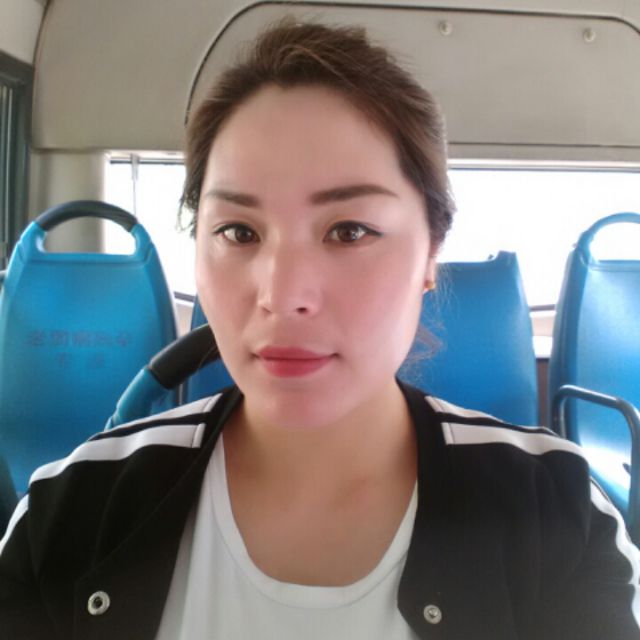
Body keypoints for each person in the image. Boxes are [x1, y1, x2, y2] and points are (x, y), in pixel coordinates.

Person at [1, 18, 639, 640]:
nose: (282, 297)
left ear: (430, 255)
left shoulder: (557, 513)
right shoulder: (70, 514)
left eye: (349, 231)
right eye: (238, 232)